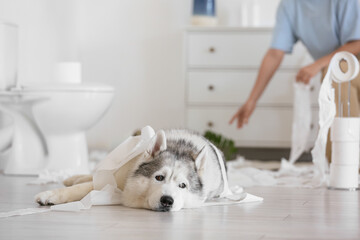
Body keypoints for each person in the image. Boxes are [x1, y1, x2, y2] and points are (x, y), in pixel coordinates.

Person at [229, 0, 360, 161]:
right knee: (330, 156)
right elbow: (275, 54)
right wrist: (252, 100)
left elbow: (357, 42)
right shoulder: (289, 6)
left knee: (337, 73)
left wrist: (316, 65)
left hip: (348, 63)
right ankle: (341, 163)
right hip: (334, 68)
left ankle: (349, 162)